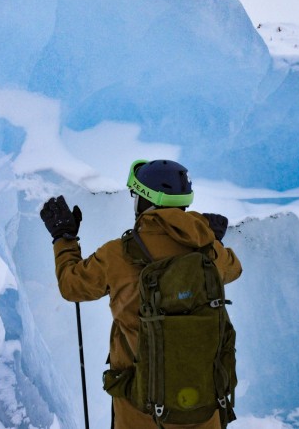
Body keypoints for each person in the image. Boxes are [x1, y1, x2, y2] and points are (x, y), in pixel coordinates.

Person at [40, 159, 243, 429]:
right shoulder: (208, 253)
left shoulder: (118, 255)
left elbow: (72, 286)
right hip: (202, 404)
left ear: (146, 201)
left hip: (140, 410)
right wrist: (210, 238)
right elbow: (233, 269)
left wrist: (64, 238)